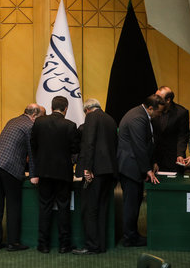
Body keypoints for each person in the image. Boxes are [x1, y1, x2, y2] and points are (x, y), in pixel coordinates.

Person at [0, 104, 40, 251]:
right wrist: (34, 175)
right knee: (13, 205)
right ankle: (13, 242)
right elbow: (32, 152)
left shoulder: (12, 120)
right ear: (34, 115)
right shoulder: (30, 126)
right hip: (9, 167)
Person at [31, 96, 80, 254]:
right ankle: (64, 245)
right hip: (63, 172)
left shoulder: (39, 122)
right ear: (65, 108)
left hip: (44, 171)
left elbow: (33, 144)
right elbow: (74, 149)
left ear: (51, 108)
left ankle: (43, 244)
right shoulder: (70, 125)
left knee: (44, 207)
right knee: (63, 207)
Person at [117, 94, 165, 247]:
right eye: (158, 112)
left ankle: (133, 234)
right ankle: (129, 238)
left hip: (133, 166)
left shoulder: (140, 114)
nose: (160, 115)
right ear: (150, 108)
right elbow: (139, 147)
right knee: (131, 204)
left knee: (135, 202)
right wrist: (148, 170)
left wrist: (151, 164)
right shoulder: (137, 118)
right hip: (130, 167)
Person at [73, 99, 118, 254]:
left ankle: (92, 245)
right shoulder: (110, 119)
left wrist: (87, 168)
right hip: (109, 171)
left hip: (95, 171)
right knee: (102, 208)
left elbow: (89, 143)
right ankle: (101, 245)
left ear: (87, 110)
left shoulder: (92, 117)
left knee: (90, 209)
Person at [152, 86, 189, 172]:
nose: (156, 100)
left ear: (168, 100)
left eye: (159, 98)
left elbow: (182, 136)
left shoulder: (181, 112)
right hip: (156, 157)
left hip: (173, 158)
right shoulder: (153, 110)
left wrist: (180, 155)